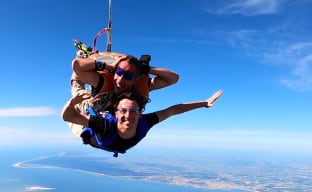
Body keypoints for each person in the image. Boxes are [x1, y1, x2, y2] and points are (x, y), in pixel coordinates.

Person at [61, 89, 223, 157]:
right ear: (116, 113)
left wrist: (204, 103)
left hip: (89, 129)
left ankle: (87, 91)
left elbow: (173, 110)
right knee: (80, 93)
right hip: (89, 124)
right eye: (123, 111)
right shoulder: (104, 125)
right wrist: (73, 100)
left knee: (83, 99)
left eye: (133, 111)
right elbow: (68, 116)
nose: (128, 116)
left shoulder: (145, 122)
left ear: (140, 115)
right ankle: (83, 65)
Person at [70, 54, 179, 113]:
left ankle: (89, 59)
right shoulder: (103, 80)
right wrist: (110, 67)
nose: (120, 80)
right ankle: (82, 56)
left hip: (106, 109)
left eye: (128, 76)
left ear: (135, 79)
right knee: (77, 84)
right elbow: (77, 66)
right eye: (119, 72)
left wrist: (148, 69)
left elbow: (173, 78)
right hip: (88, 104)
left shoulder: (140, 85)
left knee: (82, 75)